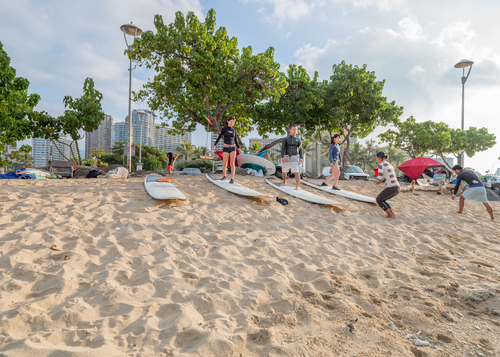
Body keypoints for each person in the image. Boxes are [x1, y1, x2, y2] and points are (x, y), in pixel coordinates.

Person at [211, 116, 243, 184]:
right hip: (225, 147)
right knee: (225, 163)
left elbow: (236, 141)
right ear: (228, 121)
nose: (232, 123)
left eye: (233, 122)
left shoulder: (234, 130)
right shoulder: (224, 129)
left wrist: (239, 149)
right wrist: (214, 146)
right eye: (231, 121)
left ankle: (232, 178)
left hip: (233, 148)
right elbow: (219, 138)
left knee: (232, 163)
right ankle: (224, 176)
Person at [374, 151, 400, 219]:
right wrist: (381, 181)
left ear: (378, 158)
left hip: (391, 187)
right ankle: (392, 215)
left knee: (378, 200)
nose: (376, 159)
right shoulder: (389, 164)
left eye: (376, 157)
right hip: (397, 187)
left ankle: (390, 215)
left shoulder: (381, 165)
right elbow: (388, 176)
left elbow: (379, 177)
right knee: (383, 200)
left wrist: (377, 181)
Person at [280, 124, 303, 190]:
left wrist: (301, 157)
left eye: (296, 130)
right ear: (290, 130)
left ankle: (297, 186)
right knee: (284, 171)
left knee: (296, 172)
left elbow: (300, 149)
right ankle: (284, 181)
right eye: (293, 130)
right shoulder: (285, 139)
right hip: (286, 157)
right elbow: (283, 148)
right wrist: (282, 156)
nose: (295, 131)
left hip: (294, 157)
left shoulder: (298, 140)